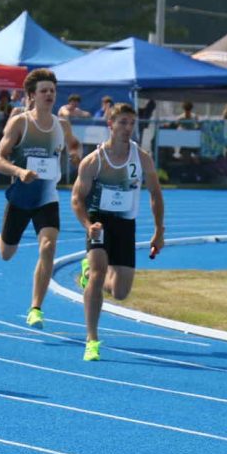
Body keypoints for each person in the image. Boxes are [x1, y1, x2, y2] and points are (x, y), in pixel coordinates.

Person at [72, 103, 164, 361]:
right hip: (99, 222)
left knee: (121, 292)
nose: (127, 128)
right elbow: (77, 199)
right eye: (122, 122)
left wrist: (159, 231)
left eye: (131, 123)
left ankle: (87, 272)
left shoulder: (142, 157)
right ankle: (92, 339)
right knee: (100, 272)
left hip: (126, 224)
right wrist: (88, 225)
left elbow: (155, 193)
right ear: (110, 125)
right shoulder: (94, 161)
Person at [0, 68, 81, 329]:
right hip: (21, 196)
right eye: (44, 90)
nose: (49, 95)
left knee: (48, 246)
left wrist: (77, 155)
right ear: (31, 95)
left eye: (52, 91)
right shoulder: (20, 123)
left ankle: (35, 308)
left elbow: (74, 144)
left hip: (47, 196)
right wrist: (20, 171)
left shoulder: (62, 125)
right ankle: (1, 237)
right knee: (7, 253)